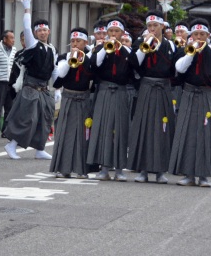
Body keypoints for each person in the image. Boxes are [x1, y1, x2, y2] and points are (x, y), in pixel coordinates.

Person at [169, 18, 211, 187]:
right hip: (188, 93)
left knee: (206, 134)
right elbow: (180, 69)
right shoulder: (185, 50)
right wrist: (191, 52)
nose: (199, 37)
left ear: (209, 35)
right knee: (187, 132)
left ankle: (204, 175)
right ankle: (188, 174)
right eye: (195, 34)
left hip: (207, 94)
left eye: (202, 34)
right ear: (191, 35)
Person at [127, 10, 182, 183]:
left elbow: (177, 70)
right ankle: (142, 169)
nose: (152, 29)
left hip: (164, 87)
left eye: (155, 25)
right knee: (143, 126)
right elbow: (134, 63)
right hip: (146, 86)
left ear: (163, 26)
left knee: (162, 128)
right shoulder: (139, 42)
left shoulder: (171, 45)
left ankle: (160, 170)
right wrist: (145, 45)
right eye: (149, 25)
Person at [3, 0, 57, 160]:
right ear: (35, 33)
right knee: (26, 119)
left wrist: (58, 88)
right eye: (39, 30)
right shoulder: (33, 45)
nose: (42, 32)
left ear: (48, 31)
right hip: (31, 88)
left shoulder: (51, 48)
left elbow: (53, 70)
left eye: (45, 30)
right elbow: (26, 26)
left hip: (44, 89)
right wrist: (27, 8)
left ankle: (39, 149)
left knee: (44, 120)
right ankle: (11, 145)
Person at [87, 18, 137, 181]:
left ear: (122, 33)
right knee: (103, 129)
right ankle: (104, 168)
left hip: (121, 91)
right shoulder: (101, 48)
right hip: (104, 91)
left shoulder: (128, 51)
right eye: (111, 32)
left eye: (117, 32)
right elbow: (94, 64)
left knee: (120, 130)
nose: (113, 35)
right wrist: (105, 48)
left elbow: (135, 69)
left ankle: (119, 169)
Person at [50, 27, 95, 179]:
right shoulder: (64, 57)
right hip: (68, 96)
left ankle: (82, 169)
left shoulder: (90, 58)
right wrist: (71, 59)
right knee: (65, 133)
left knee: (83, 134)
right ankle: (64, 168)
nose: (75, 44)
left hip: (84, 98)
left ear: (85, 42)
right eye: (73, 41)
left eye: (79, 41)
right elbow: (60, 77)